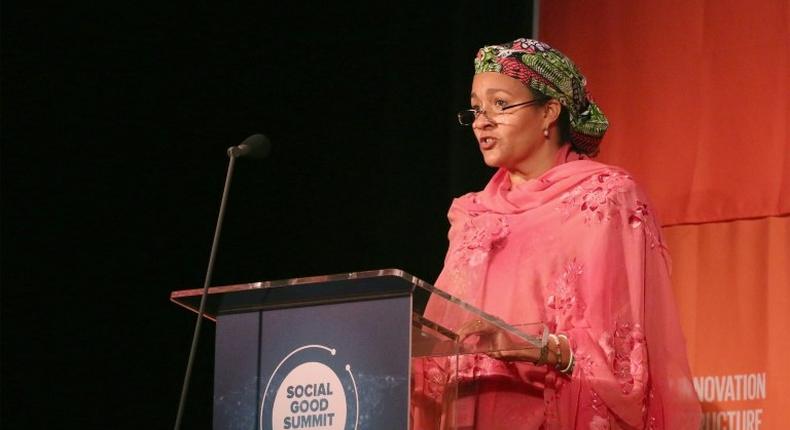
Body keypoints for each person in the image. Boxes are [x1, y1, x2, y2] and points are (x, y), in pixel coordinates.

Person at [411, 38, 702, 429]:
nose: (482, 121)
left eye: (500, 104)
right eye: (477, 108)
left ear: (549, 111)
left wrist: (534, 347)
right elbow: (440, 342)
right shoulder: (472, 213)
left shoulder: (604, 199)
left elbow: (621, 356)